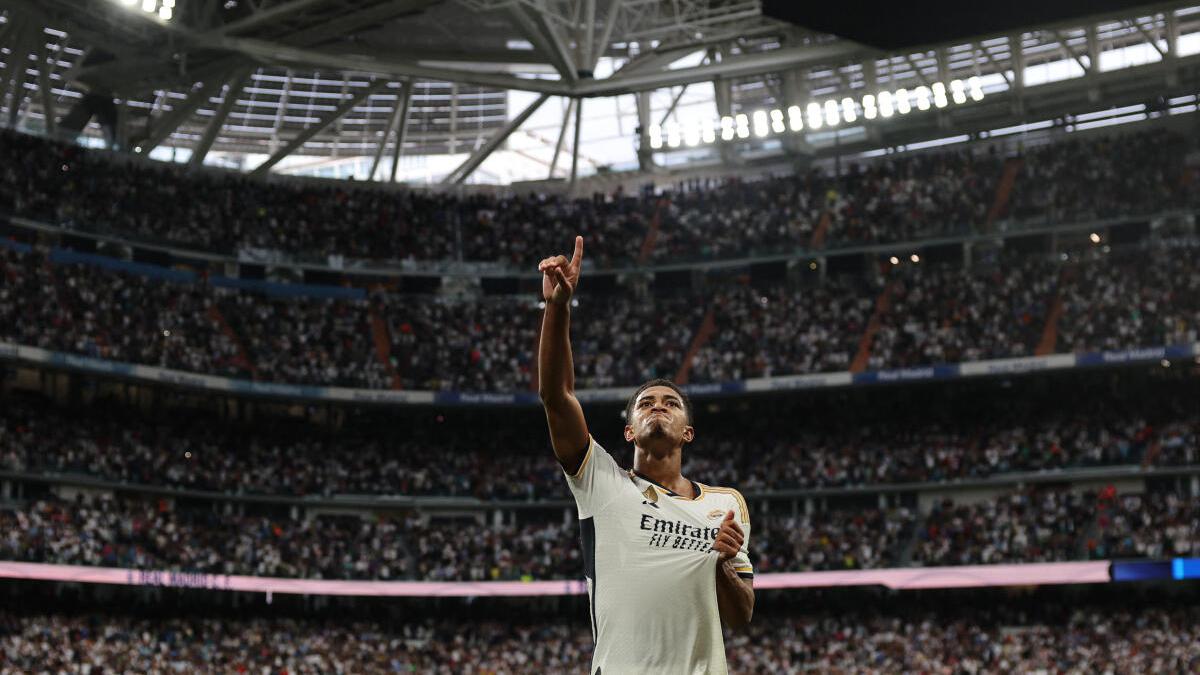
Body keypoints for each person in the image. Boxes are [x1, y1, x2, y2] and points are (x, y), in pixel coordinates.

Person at [537, 236, 754, 675]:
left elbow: (740, 615)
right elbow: (556, 396)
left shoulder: (726, 505)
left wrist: (724, 564)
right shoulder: (601, 483)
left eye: (671, 403)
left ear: (688, 433)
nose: (658, 405)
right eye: (646, 402)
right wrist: (558, 308)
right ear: (629, 430)